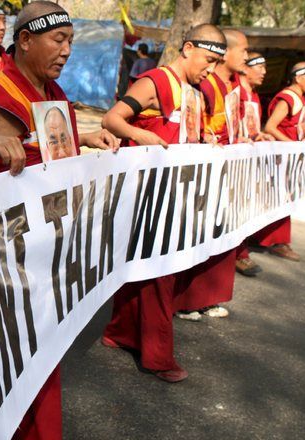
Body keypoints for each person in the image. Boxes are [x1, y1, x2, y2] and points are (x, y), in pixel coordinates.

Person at [0, 2, 117, 437]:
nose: (67, 50)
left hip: (42, 252)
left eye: (71, 41)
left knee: (39, 355)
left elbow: (46, 150)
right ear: (25, 40)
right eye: (58, 39)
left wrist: (82, 137)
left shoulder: (53, 95)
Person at [101, 23, 226, 381]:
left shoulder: (198, 91)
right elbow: (112, 118)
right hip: (147, 190)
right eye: (208, 59)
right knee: (161, 270)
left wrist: (206, 139)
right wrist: (141, 134)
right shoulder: (155, 81)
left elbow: (189, 133)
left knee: (144, 268)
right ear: (187, 48)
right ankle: (158, 357)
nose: (211, 69)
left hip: (178, 191)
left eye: (217, 63)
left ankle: (119, 333)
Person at [175, 28, 249, 321]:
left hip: (223, 166)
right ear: (225, 53)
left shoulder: (229, 85)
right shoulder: (206, 83)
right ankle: (188, 299)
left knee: (219, 231)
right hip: (202, 168)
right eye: (243, 50)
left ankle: (206, 296)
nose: (246, 55)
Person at [258, 61, 305, 261]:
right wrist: (291, 144)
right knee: (278, 197)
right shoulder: (287, 98)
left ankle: (273, 240)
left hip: (289, 158)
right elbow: (270, 127)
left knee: (284, 197)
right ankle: (277, 242)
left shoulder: (299, 97)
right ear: (298, 77)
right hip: (279, 158)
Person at [235, 52, 275, 275]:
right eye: (259, 67)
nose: (264, 72)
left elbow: (252, 128)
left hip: (250, 162)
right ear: (245, 68)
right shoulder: (236, 93)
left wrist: (259, 135)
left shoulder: (254, 96)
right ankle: (237, 255)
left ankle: (241, 251)